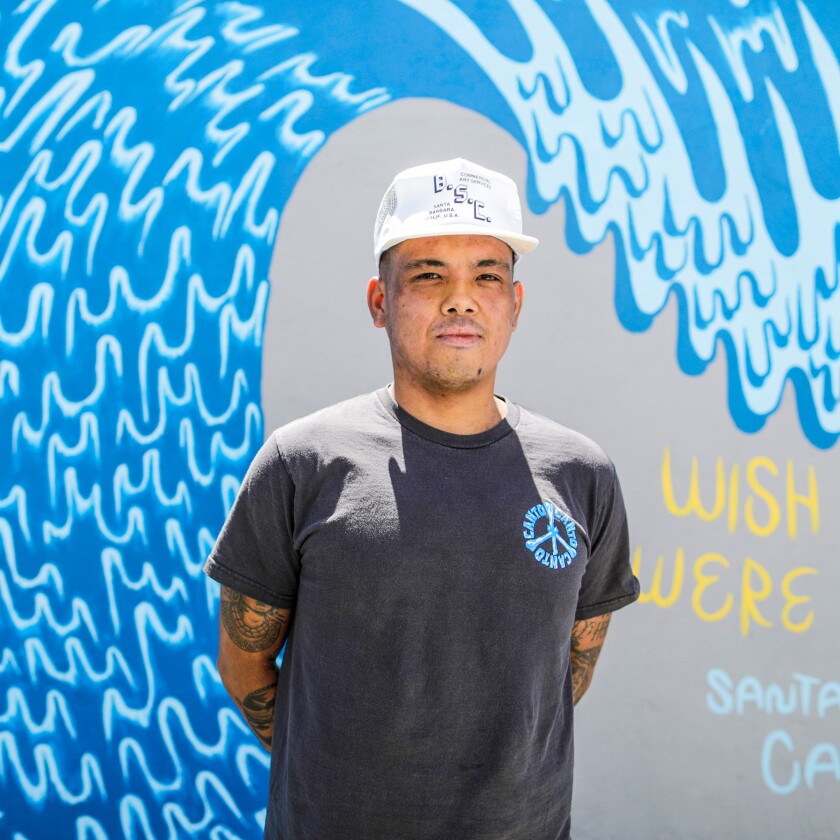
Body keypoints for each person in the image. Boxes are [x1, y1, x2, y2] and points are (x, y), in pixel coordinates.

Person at [204, 157, 639, 839]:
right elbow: (244, 662)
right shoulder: (302, 464)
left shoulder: (581, 475)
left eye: (487, 275)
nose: (460, 298)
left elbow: (564, 670)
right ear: (380, 301)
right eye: (430, 274)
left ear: (514, 305)